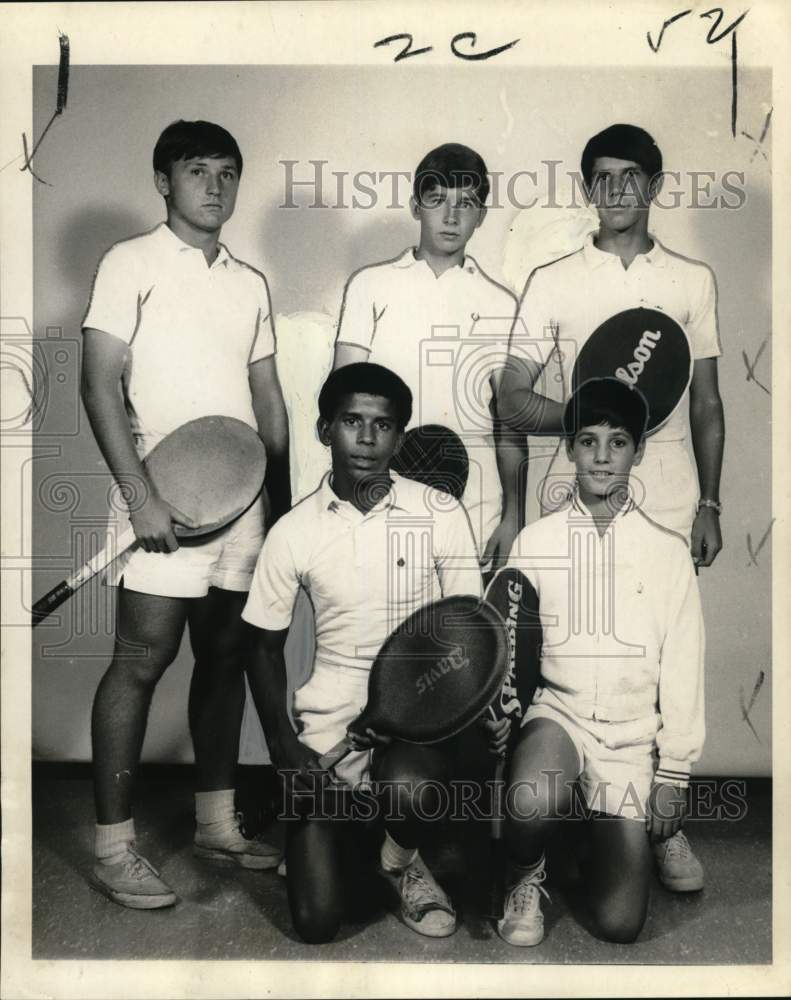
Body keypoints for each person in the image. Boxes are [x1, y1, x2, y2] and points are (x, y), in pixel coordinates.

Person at [498, 123, 723, 888]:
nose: (617, 190)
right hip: (587, 483)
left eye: (633, 176)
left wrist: (713, 502)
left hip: (669, 496)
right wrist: (596, 418)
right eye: (603, 177)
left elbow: (707, 405)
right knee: (575, 652)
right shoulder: (553, 278)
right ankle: (570, 802)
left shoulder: (691, 278)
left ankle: (663, 818)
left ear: (655, 186)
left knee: (661, 652)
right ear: (587, 189)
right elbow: (509, 395)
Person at [80, 120, 291, 908]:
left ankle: (214, 824)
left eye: (228, 172)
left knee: (227, 656)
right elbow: (99, 381)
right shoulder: (128, 262)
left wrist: (282, 498)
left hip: (241, 503)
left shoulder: (250, 281)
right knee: (142, 659)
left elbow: (266, 396)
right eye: (197, 170)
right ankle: (111, 848)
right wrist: (141, 497)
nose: (214, 185)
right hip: (160, 493)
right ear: (163, 180)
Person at [242, 363, 493, 943]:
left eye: (383, 425)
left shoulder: (439, 512)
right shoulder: (293, 530)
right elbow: (261, 646)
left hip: (421, 715)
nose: (367, 437)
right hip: (332, 723)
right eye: (352, 421)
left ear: (399, 437)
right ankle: (351, 830)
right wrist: (286, 749)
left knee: (408, 788)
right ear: (325, 428)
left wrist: (411, 710)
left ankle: (401, 861)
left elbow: (469, 637)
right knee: (316, 922)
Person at [498, 378, 705, 946]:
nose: (602, 457)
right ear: (569, 449)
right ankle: (526, 873)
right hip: (559, 715)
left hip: (632, 739)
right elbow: (509, 646)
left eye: (618, 443)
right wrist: (500, 717)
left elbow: (684, 664)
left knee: (620, 923)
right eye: (588, 441)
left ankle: (605, 833)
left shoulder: (666, 551)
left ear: (637, 451)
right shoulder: (536, 542)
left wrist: (674, 772)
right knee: (530, 800)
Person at [334, 143, 527, 567]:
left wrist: (514, 518)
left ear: (482, 215)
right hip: (381, 497)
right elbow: (342, 404)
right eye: (437, 200)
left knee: (460, 631)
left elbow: (510, 424)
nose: (451, 216)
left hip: (475, 507)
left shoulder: (502, 304)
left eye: (466, 203)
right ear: (415, 206)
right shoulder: (371, 286)